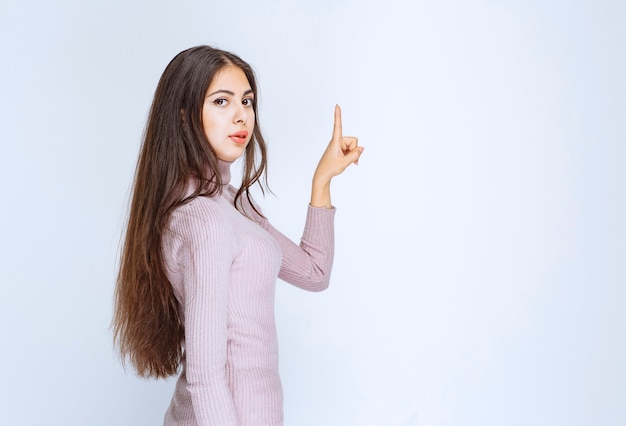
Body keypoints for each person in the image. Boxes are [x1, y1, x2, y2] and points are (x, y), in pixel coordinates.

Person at [112, 45, 363, 426]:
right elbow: (205, 373)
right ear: (184, 118)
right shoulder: (203, 220)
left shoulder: (233, 204)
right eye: (221, 101)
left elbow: (314, 273)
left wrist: (322, 180)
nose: (241, 115)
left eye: (246, 101)